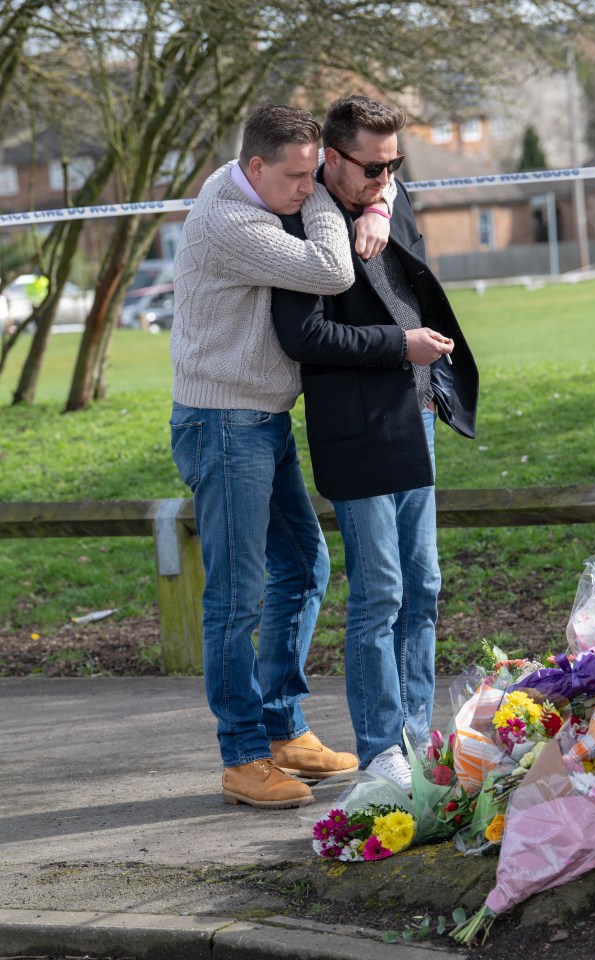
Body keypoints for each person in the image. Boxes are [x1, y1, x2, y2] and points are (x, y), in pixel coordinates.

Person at [169, 103, 401, 810]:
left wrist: (380, 200)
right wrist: (339, 201)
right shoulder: (230, 222)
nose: (308, 190)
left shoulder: (247, 183)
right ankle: (242, 756)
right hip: (222, 423)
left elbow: (367, 188)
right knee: (235, 598)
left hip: (259, 420)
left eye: (315, 175)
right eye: (298, 178)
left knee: (303, 566)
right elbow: (332, 270)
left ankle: (282, 729)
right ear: (257, 167)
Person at [271, 95, 479, 792]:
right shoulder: (300, 222)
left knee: (423, 583)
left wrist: (384, 202)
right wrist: (402, 346)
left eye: (396, 164)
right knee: (381, 593)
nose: (386, 177)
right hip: (356, 426)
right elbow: (303, 337)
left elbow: (397, 209)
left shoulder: (386, 192)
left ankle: (417, 739)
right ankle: (381, 750)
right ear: (332, 158)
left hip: (414, 413)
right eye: (373, 167)